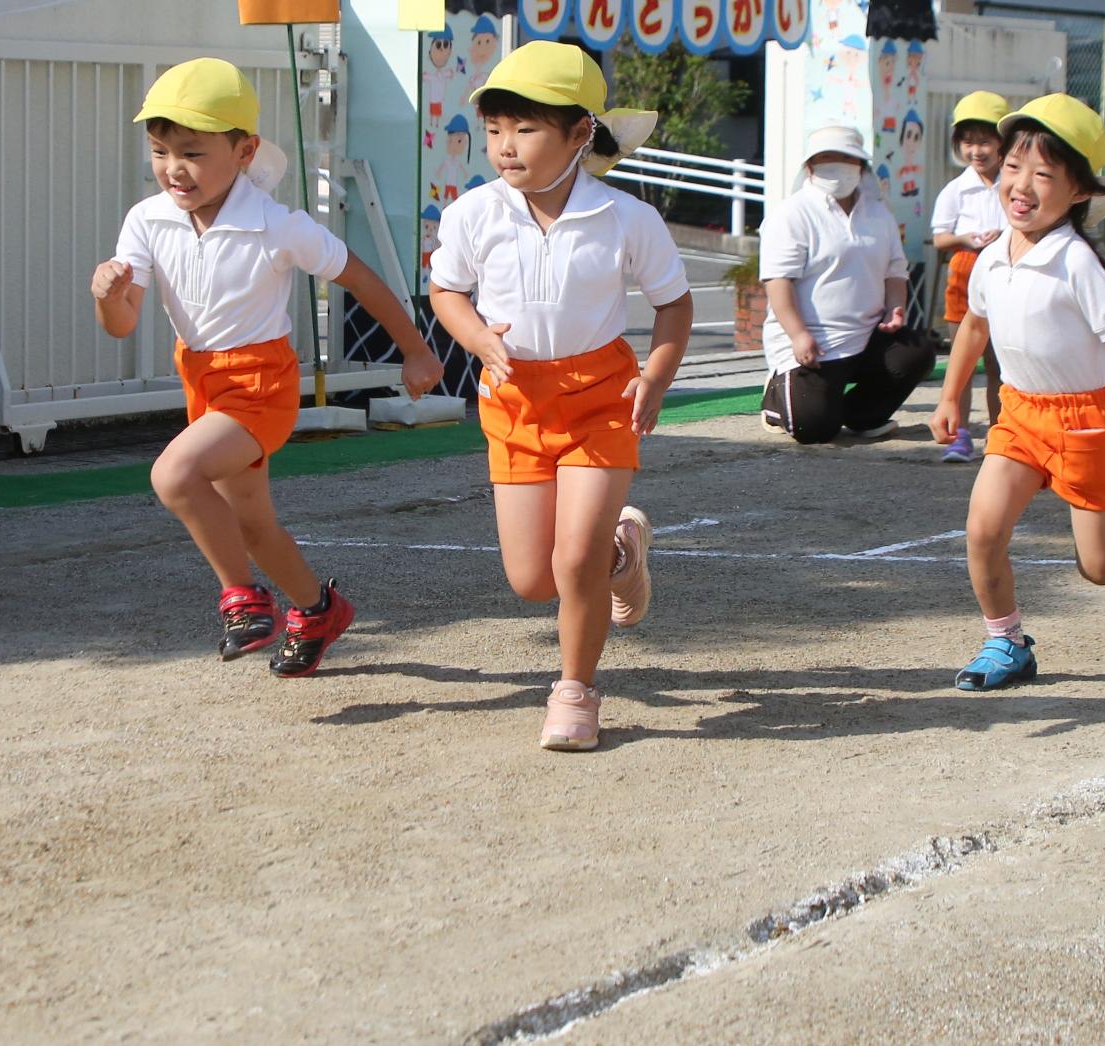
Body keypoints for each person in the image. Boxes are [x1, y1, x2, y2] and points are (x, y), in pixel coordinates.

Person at [92, 58, 444, 674]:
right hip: (202, 381)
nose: (174, 168)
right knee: (254, 524)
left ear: (246, 151)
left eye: (193, 152)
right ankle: (317, 609)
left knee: (174, 475)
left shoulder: (279, 225)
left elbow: (360, 278)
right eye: (160, 150)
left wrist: (415, 350)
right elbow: (122, 323)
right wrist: (107, 295)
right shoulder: (145, 221)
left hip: (262, 385)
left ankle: (243, 600)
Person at [429, 42, 693, 751]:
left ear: (581, 134)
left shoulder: (627, 218)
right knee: (531, 580)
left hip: (602, 398)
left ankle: (575, 690)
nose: (504, 147)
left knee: (569, 561)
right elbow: (446, 290)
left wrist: (656, 376)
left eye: (525, 129)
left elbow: (674, 306)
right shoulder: (474, 213)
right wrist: (477, 338)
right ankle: (621, 552)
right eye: (494, 130)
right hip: (514, 401)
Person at [930, 94, 1105, 692]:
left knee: (1100, 568)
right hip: (1020, 415)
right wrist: (950, 398)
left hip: (1087, 422)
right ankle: (1005, 640)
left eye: (1043, 175)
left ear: (1079, 192)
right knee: (982, 529)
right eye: (1012, 167)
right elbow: (974, 327)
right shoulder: (988, 258)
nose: (1020, 184)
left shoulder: (1077, 261)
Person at [760, 126, 935, 444]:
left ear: (861, 166)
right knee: (814, 430)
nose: (836, 164)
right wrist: (799, 335)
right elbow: (778, 281)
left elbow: (895, 271)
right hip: (811, 344)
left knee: (917, 352)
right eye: (826, 158)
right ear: (810, 167)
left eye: (845, 157)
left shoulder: (879, 213)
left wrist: (895, 308)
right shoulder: (792, 214)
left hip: (867, 336)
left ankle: (862, 415)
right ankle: (776, 399)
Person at [929, 91, 1009, 462]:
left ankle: (1000, 434)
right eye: (968, 141)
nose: (976, 150)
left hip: (1005, 273)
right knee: (961, 364)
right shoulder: (955, 188)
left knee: (999, 363)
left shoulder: (1012, 183)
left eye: (985, 141)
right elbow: (940, 238)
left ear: (1001, 144)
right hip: (964, 272)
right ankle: (959, 434)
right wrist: (966, 238)